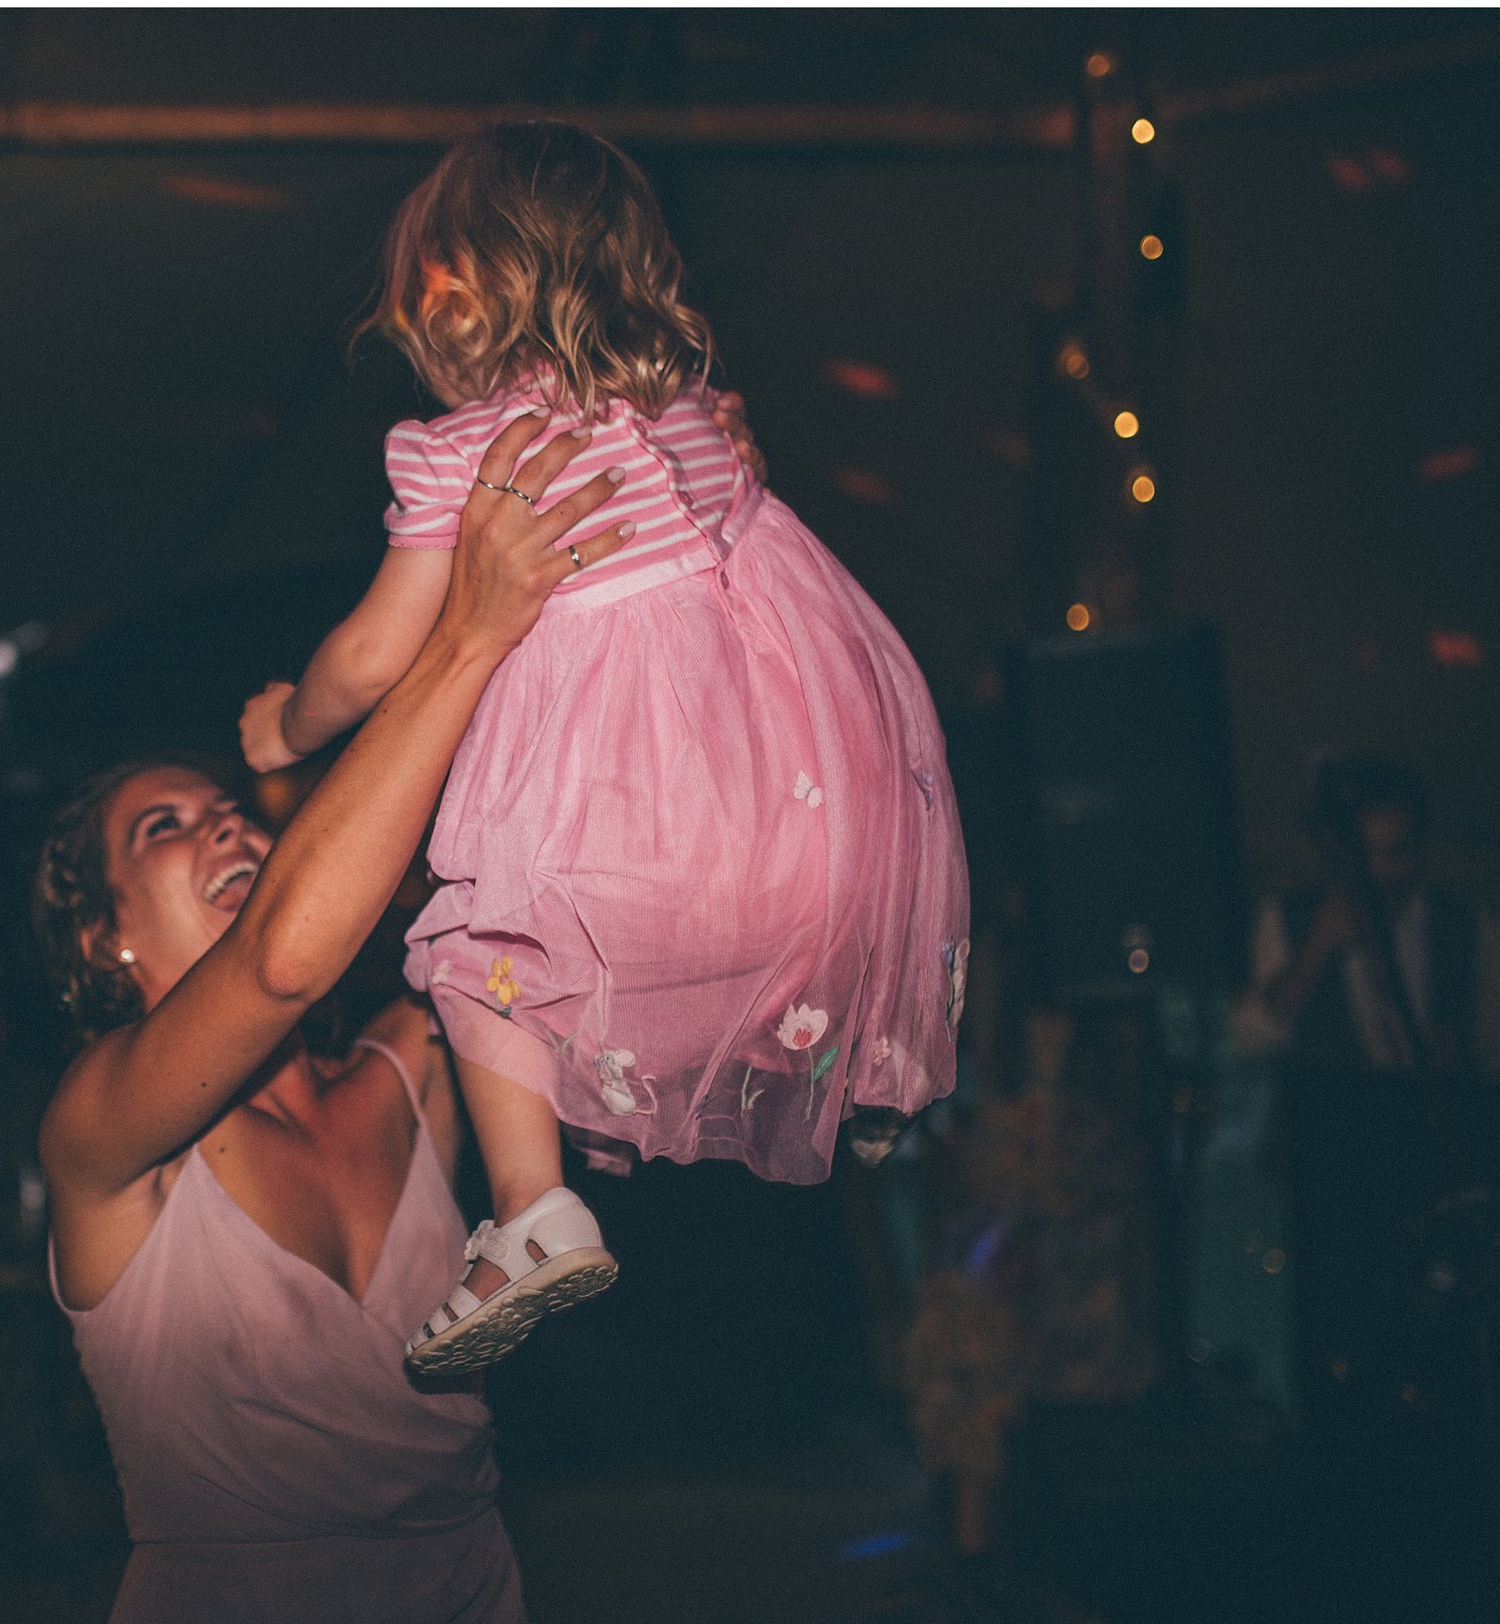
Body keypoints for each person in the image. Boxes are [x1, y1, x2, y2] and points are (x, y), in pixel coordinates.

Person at [238, 121, 969, 1374]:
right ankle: (867, 1072)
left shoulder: (461, 449)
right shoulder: (693, 409)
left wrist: (286, 722)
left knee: (474, 956)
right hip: (807, 811)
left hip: (628, 824)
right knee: (786, 916)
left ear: (463, 284)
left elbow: (372, 652)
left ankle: (531, 1212)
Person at [36, 413, 632, 1624]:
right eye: (164, 829)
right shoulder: (105, 1133)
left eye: (229, 816)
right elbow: (278, 958)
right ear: (107, 941)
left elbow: (525, 896)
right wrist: (467, 626)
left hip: (469, 1611)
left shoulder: (414, 1063)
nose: (225, 834)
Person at [1231, 755, 1499, 1425]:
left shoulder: (1460, 919)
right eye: (1375, 854)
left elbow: (1496, 1043)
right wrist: (1319, 947)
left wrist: (1457, 1050)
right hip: (1332, 1161)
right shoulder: (1290, 916)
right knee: (1340, 1327)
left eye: (1403, 851)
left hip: (1431, 1153)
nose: (1391, 871)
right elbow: (1255, 1034)